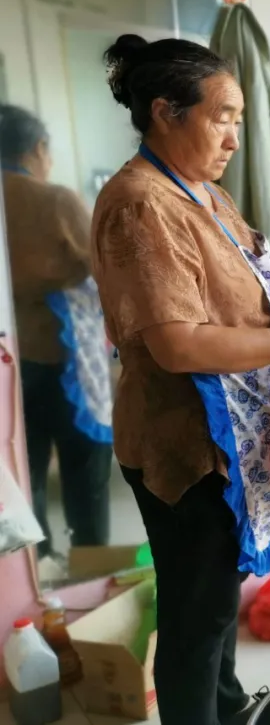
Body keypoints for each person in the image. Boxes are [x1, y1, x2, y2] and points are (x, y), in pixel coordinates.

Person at [91, 34, 270, 725]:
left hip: (234, 452)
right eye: (223, 117)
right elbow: (179, 343)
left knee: (216, 604)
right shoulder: (141, 202)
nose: (234, 138)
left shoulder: (204, 195)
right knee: (196, 616)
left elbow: (252, 297)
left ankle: (229, 709)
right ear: (165, 112)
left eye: (240, 120)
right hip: (185, 449)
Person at [0, 103, 113, 558]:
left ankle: (34, 575)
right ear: (39, 148)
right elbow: (108, 272)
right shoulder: (54, 201)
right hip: (65, 366)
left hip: (10, 370)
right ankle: (92, 568)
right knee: (85, 477)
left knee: (22, 478)